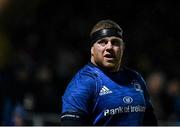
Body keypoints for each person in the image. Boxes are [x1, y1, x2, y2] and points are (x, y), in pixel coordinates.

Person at [60, 19, 158, 126]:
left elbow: (150, 120)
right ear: (92, 49)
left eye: (115, 42)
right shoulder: (82, 84)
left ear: (122, 48)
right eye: (102, 42)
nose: (109, 47)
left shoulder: (136, 78)